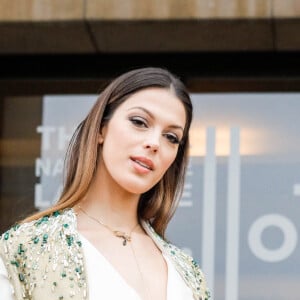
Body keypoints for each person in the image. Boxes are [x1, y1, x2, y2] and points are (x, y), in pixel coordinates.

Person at [0, 67, 210, 300]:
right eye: (139, 122)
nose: (154, 143)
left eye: (171, 137)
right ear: (102, 128)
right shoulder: (26, 248)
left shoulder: (188, 273)